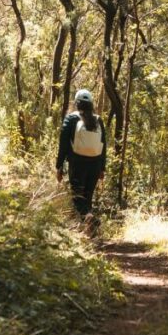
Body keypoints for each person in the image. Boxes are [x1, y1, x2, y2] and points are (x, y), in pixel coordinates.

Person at [56, 89, 106, 230]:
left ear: (76, 103)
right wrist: (102, 168)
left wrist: (59, 166)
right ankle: (90, 230)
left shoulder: (71, 119)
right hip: (95, 163)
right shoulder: (98, 120)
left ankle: (88, 217)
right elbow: (104, 145)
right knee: (87, 196)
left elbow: (63, 144)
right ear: (91, 104)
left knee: (77, 196)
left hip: (77, 163)